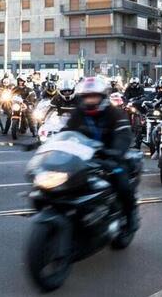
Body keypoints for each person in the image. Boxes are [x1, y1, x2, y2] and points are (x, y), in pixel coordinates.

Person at [62, 77, 138, 231]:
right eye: (87, 96)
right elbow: (66, 131)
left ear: (102, 96)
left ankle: (131, 217)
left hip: (110, 158)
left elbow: (124, 135)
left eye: (94, 96)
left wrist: (116, 152)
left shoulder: (114, 113)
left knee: (122, 184)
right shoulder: (78, 114)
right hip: (83, 157)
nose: (90, 100)